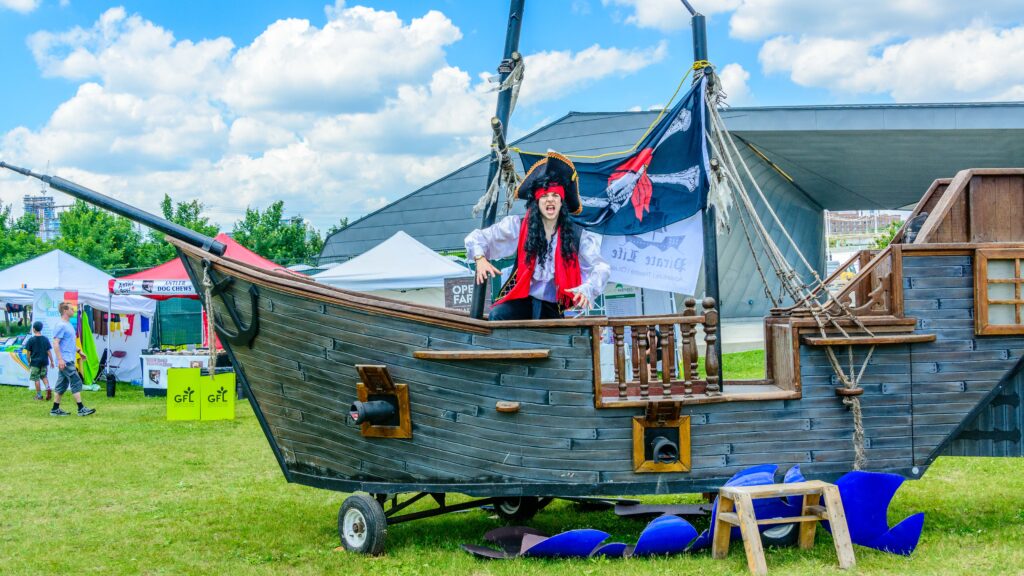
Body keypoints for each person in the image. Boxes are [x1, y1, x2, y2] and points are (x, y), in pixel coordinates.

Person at [466, 151, 611, 320]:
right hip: (520, 299)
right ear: (537, 202)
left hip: (553, 306)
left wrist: (588, 288)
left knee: (557, 338)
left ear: (561, 202)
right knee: (498, 316)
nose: (550, 200)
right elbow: (477, 238)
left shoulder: (578, 236)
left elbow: (601, 267)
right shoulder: (518, 226)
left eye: (555, 195)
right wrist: (480, 258)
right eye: (545, 196)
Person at [50, 302, 95, 417]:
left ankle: (55, 409)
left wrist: (79, 351)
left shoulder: (68, 324)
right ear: (65, 310)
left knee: (62, 384)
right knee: (76, 380)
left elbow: (69, 343)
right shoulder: (61, 325)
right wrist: (60, 360)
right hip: (65, 360)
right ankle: (81, 409)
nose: (73, 310)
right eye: (71, 309)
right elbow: (56, 343)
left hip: (68, 359)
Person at [22, 321, 54, 401]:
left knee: (36, 379)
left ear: (34, 329)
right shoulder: (45, 339)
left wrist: (29, 361)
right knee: (44, 376)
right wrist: (52, 361)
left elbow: (28, 353)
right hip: (44, 362)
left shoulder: (31, 340)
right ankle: (48, 388)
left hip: (35, 363)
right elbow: (48, 351)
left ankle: (39, 396)